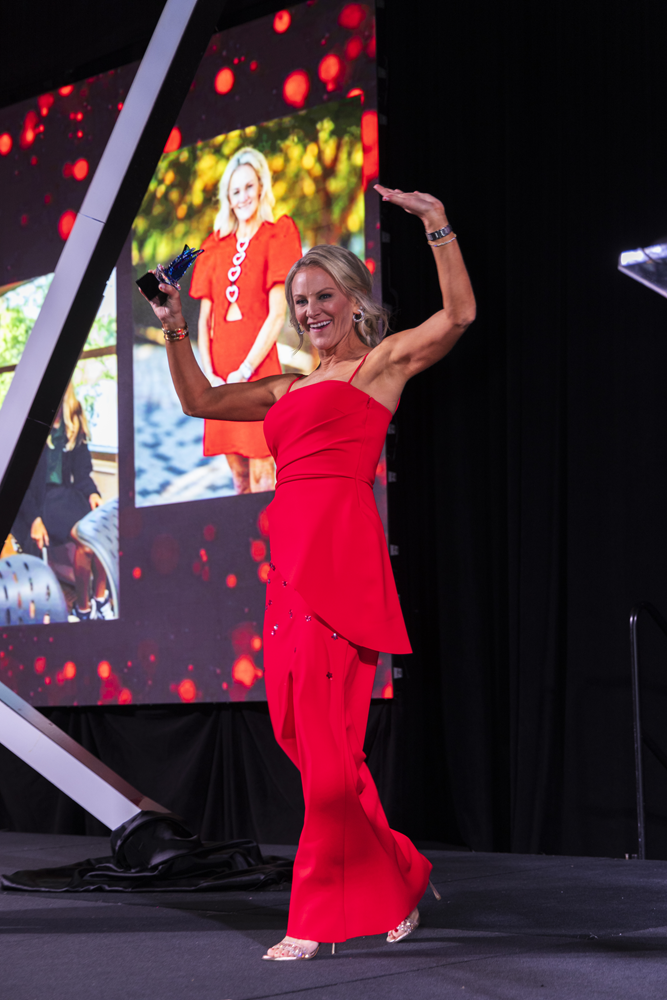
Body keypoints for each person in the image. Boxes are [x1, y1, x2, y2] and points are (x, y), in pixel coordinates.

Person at [141, 185, 476, 958]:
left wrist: (436, 225)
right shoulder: (285, 387)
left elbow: (457, 316)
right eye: (299, 300)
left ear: (353, 299)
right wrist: (174, 325)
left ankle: (314, 919)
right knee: (309, 744)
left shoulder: (377, 369)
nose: (310, 309)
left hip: (341, 571)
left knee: (328, 757)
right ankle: (400, 870)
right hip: (286, 575)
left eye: (323, 295)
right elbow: (197, 400)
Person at [189, 146, 302, 494]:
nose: (243, 197)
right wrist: (210, 376)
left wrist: (246, 371)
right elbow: (205, 321)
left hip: (258, 374)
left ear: (262, 187)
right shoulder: (213, 246)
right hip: (221, 378)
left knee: (265, 478)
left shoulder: (277, 234)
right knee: (238, 479)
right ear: (228, 198)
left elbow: (278, 313)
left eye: (249, 186)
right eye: (235, 190)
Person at [11, 383, 112, 622]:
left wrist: (93, 494)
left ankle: (99, 600)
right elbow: (19, 481)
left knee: (98, 533)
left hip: (66, 496)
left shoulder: (73, 421)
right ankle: (84, 609)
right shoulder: (27, 423)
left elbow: (83, 473)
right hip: (39, 501)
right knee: (85, 540)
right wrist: (34, 519)